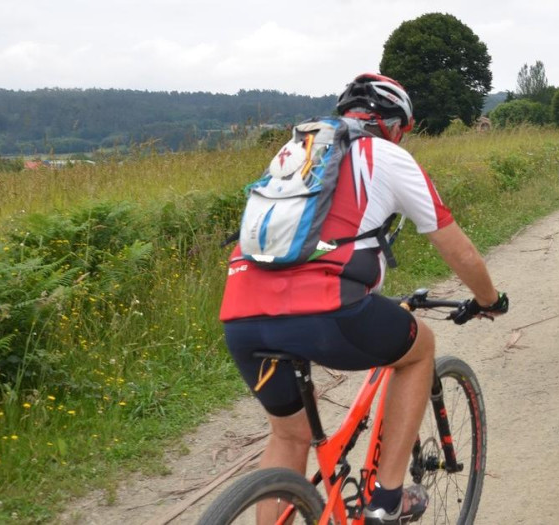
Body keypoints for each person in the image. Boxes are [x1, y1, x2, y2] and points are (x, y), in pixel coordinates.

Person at [218, 73, 508, 525]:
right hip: (328, 312)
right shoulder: (387, 157)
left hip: (242, 314)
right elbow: (457, 248)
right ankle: (387, 498)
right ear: (395, 125)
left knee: (289, 436)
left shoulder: (297, 153)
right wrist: (488, 299)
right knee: (418, 350)